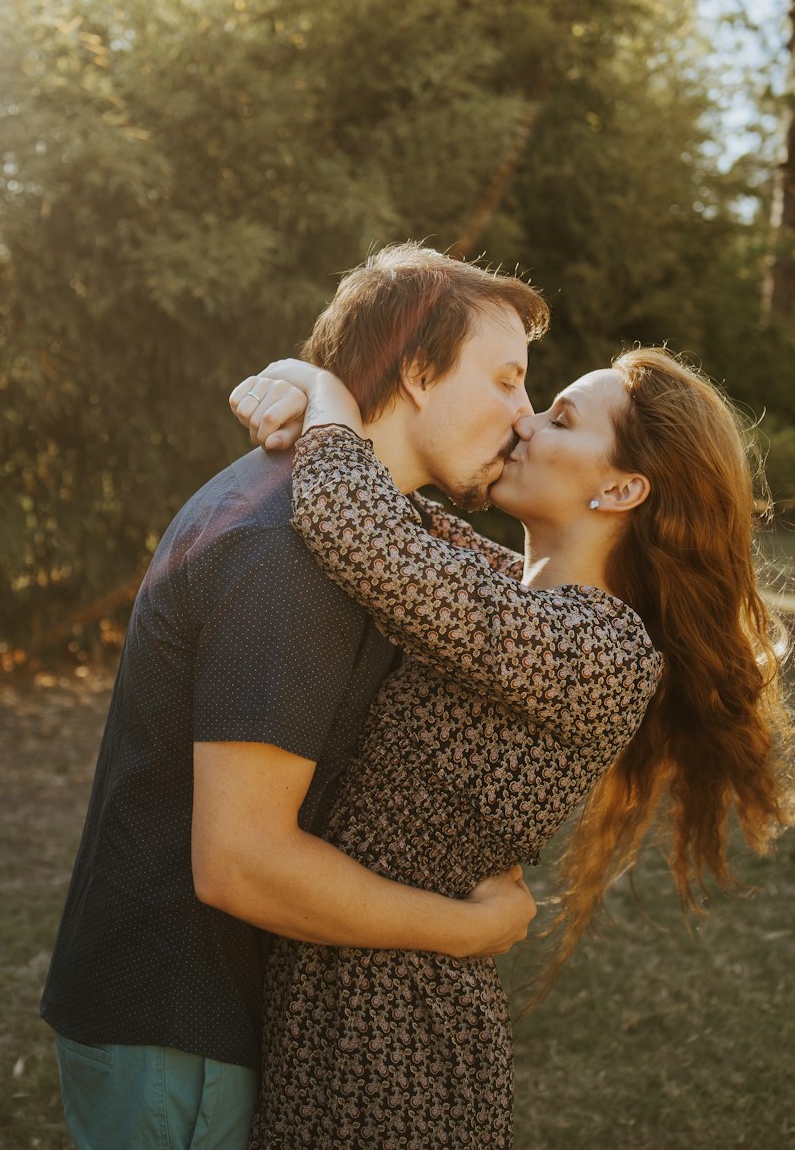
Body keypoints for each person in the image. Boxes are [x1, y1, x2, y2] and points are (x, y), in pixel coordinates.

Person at [39, 244, 550, 1150]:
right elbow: (242, 861)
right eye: (508, 380)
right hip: (177, 1027)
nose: (526, 416)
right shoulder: (286, 550)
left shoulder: (353, 526)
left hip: (200, 1019)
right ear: (419, 372)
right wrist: (467, 932)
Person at [229, 345, 792, 1149]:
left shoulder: (599, 648)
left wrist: (320, 384)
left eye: (561, 418)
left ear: (622, 488)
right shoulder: (507, 589)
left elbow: (353, 523)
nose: (524, 421)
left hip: (395, 1035)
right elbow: (386, 510)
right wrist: (307, 404)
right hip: (347, 982)